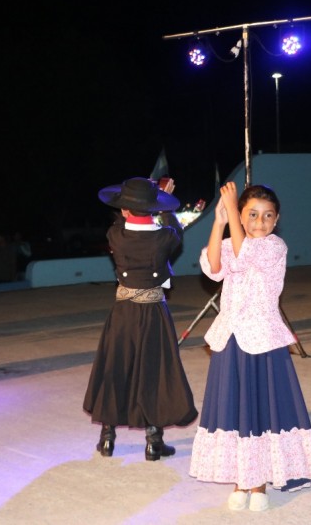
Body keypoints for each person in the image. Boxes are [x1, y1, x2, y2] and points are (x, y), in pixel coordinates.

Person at [189, 182, 311, 512]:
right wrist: (220, 220)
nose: (259, 222)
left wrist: (234, 209)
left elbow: (245, 251)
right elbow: (213, 267)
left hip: (263, 343)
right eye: (251, 215)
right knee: (237, 411)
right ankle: (240, 480)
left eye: (267, 216)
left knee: (263, 411)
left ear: (276, 221)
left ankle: (260, 482)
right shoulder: (232, 239)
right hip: (232, 340)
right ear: (240, 216)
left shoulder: (274, 247)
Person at [83, 177, 198, 460]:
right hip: (153, 312)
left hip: (122, 313)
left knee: (115, 367)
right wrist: (164, 204)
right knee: (153, 370)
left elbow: (126, 222)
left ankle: (107, 438)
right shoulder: (165, 237)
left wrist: (144, 202)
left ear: (124, 210)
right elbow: (174, 228)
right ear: (153, 207)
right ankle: (153, 441)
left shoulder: (115, 235)